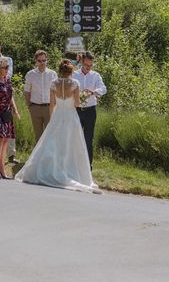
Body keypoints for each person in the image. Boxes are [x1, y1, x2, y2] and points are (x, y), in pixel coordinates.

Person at [15, 59, 101, 194]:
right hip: (71, 117)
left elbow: (52, 104)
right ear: (71, 72)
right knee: (71, 144)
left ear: (60, 71)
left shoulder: (53, 84)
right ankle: (70, 170)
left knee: (54, 144)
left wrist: (52, 119)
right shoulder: (75, 83)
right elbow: (77, 103)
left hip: (57, 116)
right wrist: (83, 98)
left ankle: (50, 169)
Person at [73, 51, 107, 167]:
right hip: (76, 110)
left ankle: (88, 166)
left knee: (88, 140)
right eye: (87, 65)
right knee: (75, 139)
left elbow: (103, 89)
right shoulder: (74, 74)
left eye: (91, 65)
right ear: (82, 62)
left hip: (90, 111)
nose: (89, 67)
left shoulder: (95, 75)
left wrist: (94, 92)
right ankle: (74, 165)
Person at [24, 50, 57, 142]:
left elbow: (56, 91)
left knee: (50, 134)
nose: (42, 63)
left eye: (44, 60)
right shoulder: (30, 74)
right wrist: (29, 106)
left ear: (47, 60)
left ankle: (49, 156)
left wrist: (54, 106)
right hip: (35, 107)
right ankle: (38, 156)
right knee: (38, 135)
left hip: (49, 107)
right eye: (39, 61)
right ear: (36, 61)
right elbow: (27, 91)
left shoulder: (53, 74)